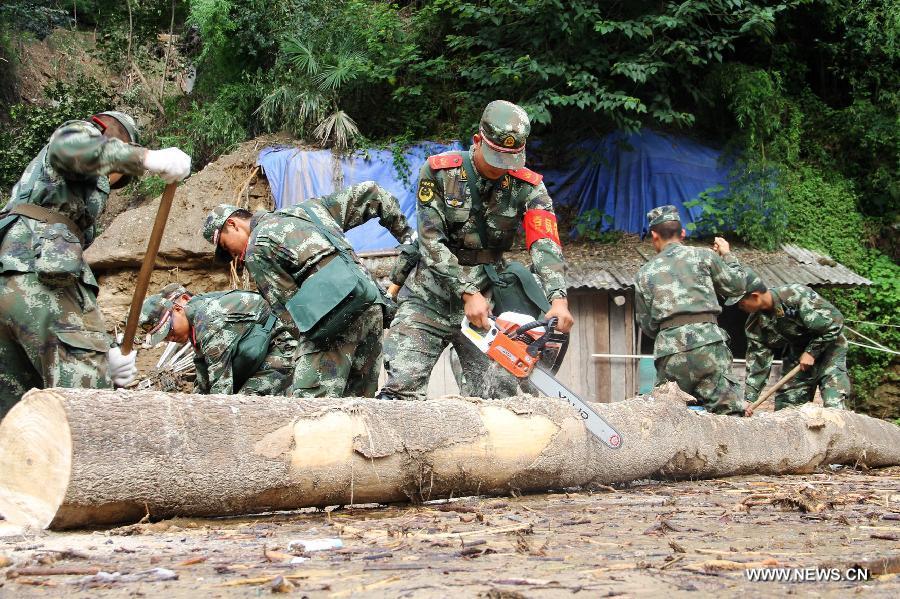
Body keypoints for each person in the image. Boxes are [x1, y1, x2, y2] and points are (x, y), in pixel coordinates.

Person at [377, 100, 573, 401]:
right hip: (429, 296)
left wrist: (558, 299)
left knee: (497, 394)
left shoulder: (529, 187)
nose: (502, 169)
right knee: (402, 387)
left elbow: (544, 243)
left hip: (488, 303)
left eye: (510, 160)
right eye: (496, 158)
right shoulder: (440, 172)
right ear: (478, 141)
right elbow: (431, 240)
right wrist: (466, 292)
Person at [0, 111, 191, 415]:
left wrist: (107, 351)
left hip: (13, 277)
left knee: (17, 407)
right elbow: (70, 148)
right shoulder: (81, 134)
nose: (112, 182)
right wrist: (147, 158)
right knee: (87, 408)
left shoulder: (57, 202)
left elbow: (67, 305)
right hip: (32, 272)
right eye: (115, 175)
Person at [203, 181, 414, 398]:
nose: (234, 257)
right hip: (371, 309)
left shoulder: (256, 249)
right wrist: (409, 238)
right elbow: (371, 192)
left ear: (233, 224)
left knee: (312, 409)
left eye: (227, 247)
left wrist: (305, 357)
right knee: (359, 407)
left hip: (333, 326)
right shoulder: (306, 211)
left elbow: (289, 314)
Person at [633, 205, 747, 415]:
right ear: (683, 233)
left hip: (669, 351)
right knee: (729, 414)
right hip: (708, 345)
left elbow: (647, 325)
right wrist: (727, 255)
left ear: (654, 235)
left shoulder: (643, 274)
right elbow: (738, 285)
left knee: (671, 416)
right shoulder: (704, 256)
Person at [139, 283, 296, 396]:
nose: (171, 338)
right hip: (259, 355)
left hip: (282, 349)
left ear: (178, 309)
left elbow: (221, 388)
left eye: (170, 330)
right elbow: (204, 380)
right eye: (165, 337)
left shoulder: (208, 321)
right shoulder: (195, 319)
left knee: (245, 403)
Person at [728, 269, 849, 410]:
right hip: (798, 354)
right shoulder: (755, 324)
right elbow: (758, 363)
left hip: (829, 349)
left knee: (834, 405)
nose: (740, 308)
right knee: (787, 408)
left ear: (755, 296)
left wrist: (812, 352)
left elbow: (835, 322)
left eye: (741, 303)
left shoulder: (796, 295)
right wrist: (749, 400)